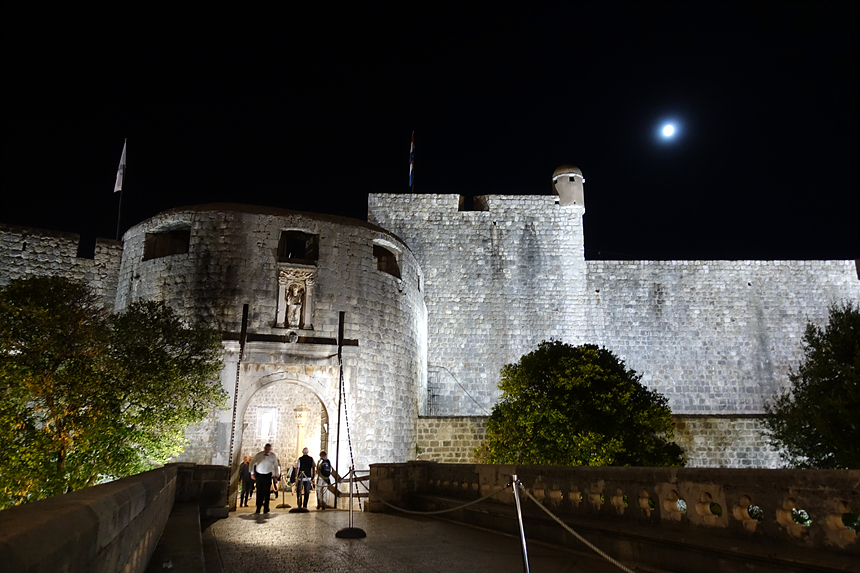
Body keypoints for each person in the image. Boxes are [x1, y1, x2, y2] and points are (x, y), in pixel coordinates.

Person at [251, 443, 281, 514]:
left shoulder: (273, 456)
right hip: (259, 475)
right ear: (264, 448)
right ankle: (258, 508)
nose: (267, 450)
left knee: (267, 492)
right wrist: (252, 473)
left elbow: (276, 466)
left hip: (268, 475)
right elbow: (252, 463)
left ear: (270, 449)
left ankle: (266, 508)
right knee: (259, 492)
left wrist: (275, 475)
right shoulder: (259, 455)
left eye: (268, 449)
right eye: (266, 448)